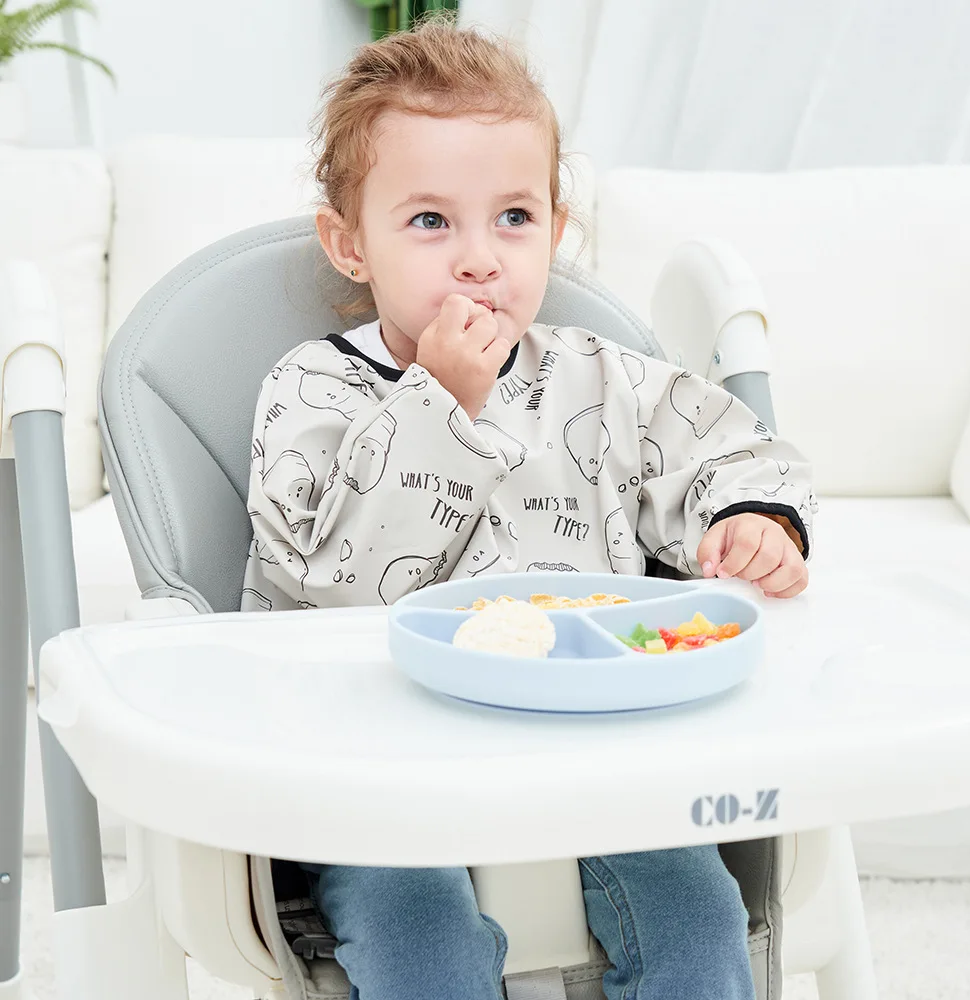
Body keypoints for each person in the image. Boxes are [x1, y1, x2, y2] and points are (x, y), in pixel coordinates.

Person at [242, 17, 817, 1000]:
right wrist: (438, 401)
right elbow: (331, 577)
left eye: (512, 217)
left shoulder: (600, 378)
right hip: (375, 765)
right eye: (430, 222)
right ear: (350, 244)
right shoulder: (313, 390)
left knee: (698, 913)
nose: (479, 258)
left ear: (555, 230)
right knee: (419, 939)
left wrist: (752, 522)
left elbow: (731, 448)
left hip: (594, 750)